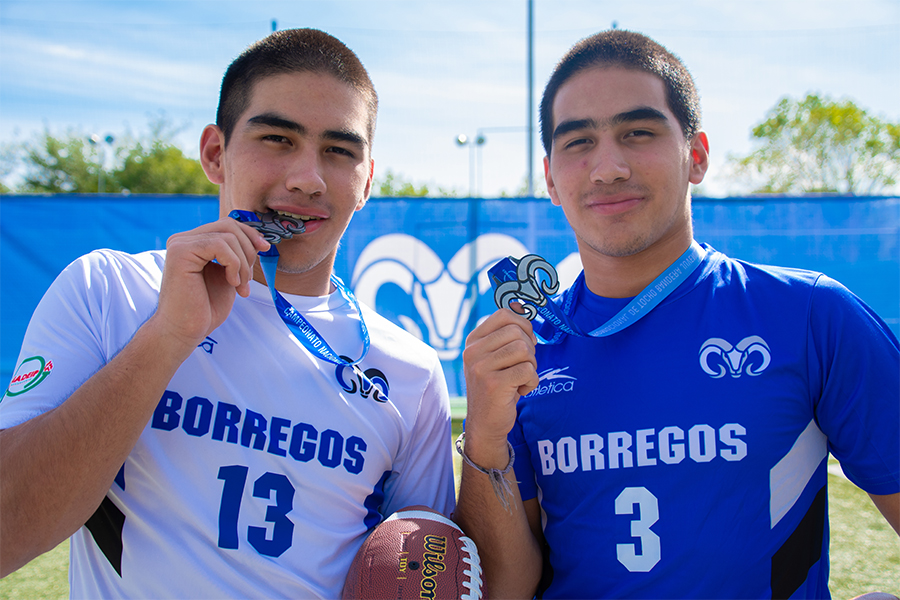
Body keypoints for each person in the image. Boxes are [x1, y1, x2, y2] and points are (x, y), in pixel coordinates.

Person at [0, 29, 455, 597]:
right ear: (216, 153)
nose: (306, 178)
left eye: (339, 151)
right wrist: (168, 336)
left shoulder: (409, 369)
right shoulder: (111, 291)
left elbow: (429, 564)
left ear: (366, 180)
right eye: (277, 139)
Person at [454, 29, 899, 599]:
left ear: (697, 155)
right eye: (578, 142)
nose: (607, 167)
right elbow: (508, 588)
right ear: (550, 179)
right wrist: (486, 439)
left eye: (637, 133)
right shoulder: (527, 353)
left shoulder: (811, 315)